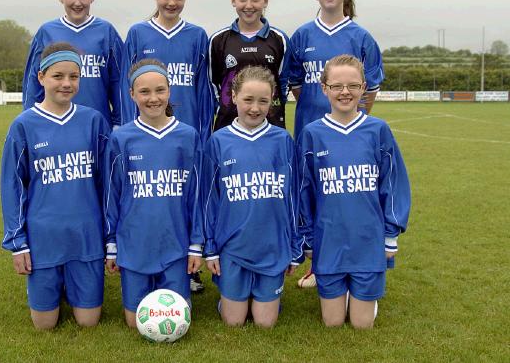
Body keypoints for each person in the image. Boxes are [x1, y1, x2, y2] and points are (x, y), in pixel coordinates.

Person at [0, 42, 111, 329]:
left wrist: (110, 236)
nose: (66, 83)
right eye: (58, 76)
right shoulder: (24, 125)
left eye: (74, 76)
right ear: (41, 77)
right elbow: (12, 186)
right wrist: (18, 243)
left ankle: (74, 286)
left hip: (86, 235)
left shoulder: (93, 121)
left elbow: (108, 184)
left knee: (88, 322)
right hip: (43, 238)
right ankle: (53, 286)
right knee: (44, 326)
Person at [297, 55, 410, 329]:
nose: (344, 92)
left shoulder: (377, 130)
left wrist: (390, 236)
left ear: (363, 88)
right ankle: (344, 293)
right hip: (329, 240)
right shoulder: (312, 133)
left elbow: (393, 184)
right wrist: (308, 239)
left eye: (352, 85)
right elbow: (303, 191)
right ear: (324, 88)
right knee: (333, 323)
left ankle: (363, 298)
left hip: (367, 242)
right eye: (336, 86)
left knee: (361, 326)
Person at [105, 59, 204, 328]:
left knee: (178, 319)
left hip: (175, 246)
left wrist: (196, 245)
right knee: (134, 322)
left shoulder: (187, 136)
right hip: (134, 245)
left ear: (169, 91)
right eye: (145, 92)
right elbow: (112, 195)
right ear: (132, 95)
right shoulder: (122, 138)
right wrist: (112, 245)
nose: (153, 98)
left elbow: (196, 196)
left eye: (160, 90)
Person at [202, 66, 303, 328]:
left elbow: (292, 198)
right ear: (233, 96)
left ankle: (265, 294)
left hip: (272, 246)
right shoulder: (218, 141)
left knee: (264, 324)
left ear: (272, 102)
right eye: (248, 99)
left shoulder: (282, 140)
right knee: (233, 322)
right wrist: (210, 249)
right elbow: (209, 200)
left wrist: (294, 248)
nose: (255, 108)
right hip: (232, 247)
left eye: (263, 101)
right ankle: (231, 297)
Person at [287, 0, 385, 142]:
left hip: (349, 132)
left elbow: (370, 89)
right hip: (309, 129)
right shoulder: (302, 35)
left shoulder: (362, 38)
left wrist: (352, 114)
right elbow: (296, 85)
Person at [121, 0, 215, 143]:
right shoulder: (138, 33)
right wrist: (130, 133)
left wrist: (203, 138)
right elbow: (126, 89)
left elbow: (204, 94)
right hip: (145, 134)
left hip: (187, 134)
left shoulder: (197, 36)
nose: (172, 2)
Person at [22, 0, 124, 127]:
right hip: (54, 126)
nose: (77, 2)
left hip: (98, 127)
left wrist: (120, 122)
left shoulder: (106, 32)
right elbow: (33, 81)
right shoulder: (46, 32)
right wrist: (31, 121)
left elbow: (119, 82)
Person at [209, 0, 289, 131]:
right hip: (228, 126)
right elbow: (212, 85)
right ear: (233, 0)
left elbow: (283, 84)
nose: (249, 5)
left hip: (270, 125)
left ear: (265, 1)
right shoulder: (218, 40)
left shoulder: (280, 39)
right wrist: (227, 106)